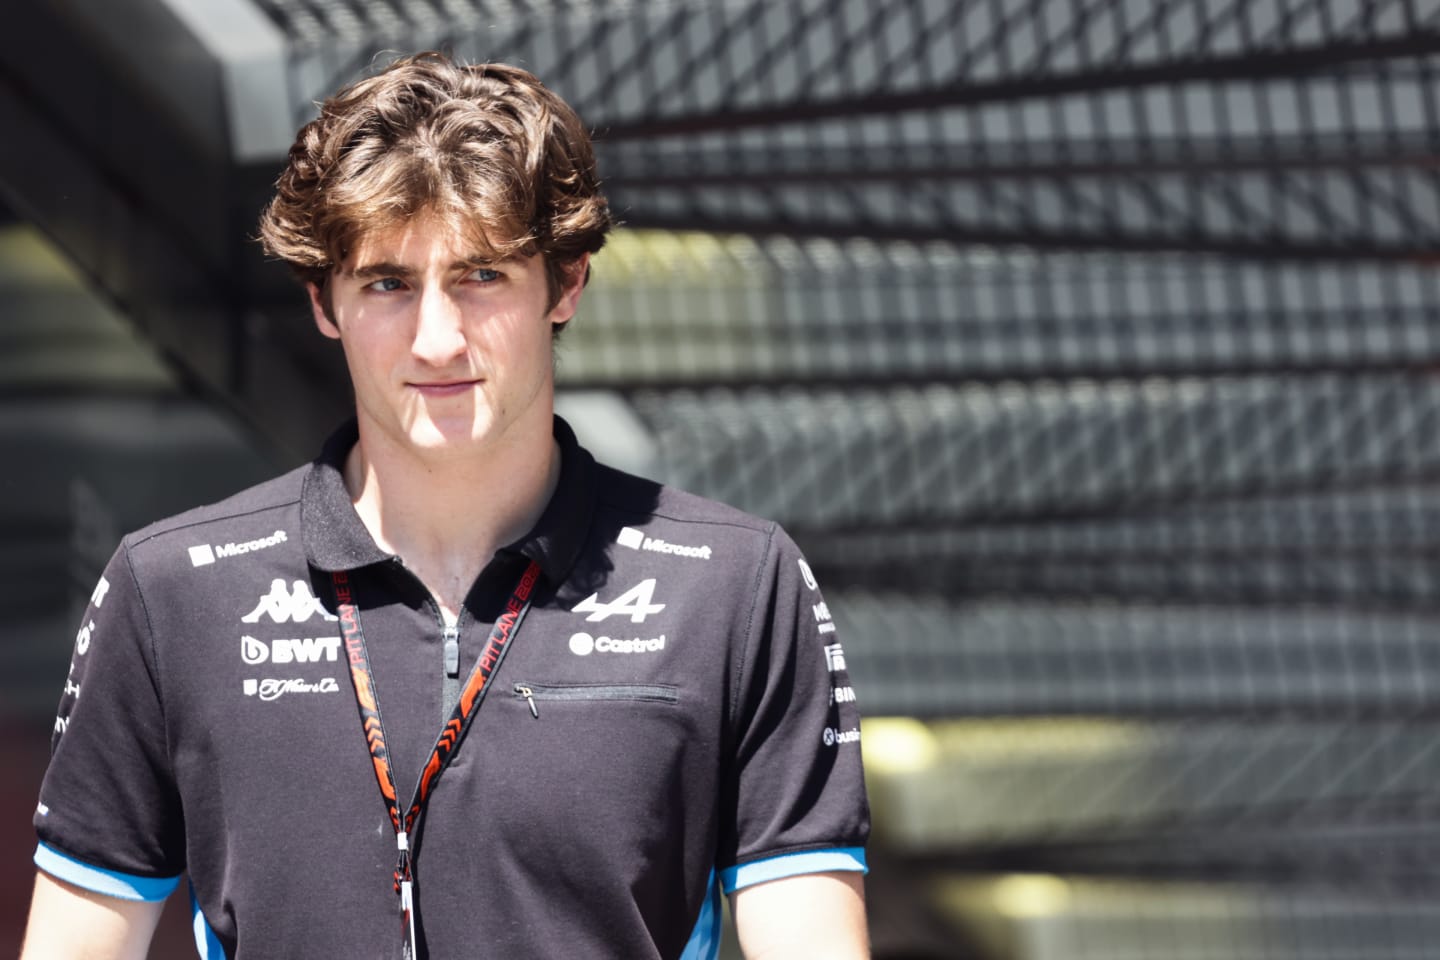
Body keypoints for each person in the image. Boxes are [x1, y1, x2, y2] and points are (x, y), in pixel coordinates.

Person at [21, 52, 869, 959]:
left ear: (567, 284)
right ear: (323, 301)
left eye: (483, 277)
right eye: (387, 283)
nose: (437, 338)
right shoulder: (171, 592)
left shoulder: (736, 587)